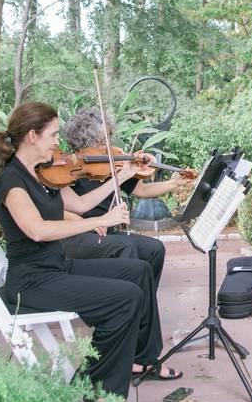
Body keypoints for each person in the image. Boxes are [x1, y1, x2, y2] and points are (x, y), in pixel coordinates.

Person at [0, 101, 162, 402]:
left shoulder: (41, 172)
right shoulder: (12, 181)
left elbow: (79, 205)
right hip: (32, 282)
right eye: (52, 134)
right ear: (32, 136)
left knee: (139, 270)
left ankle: (141, 357)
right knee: (125, 297)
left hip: (56, 266)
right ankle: (93, 385)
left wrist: (124, 173)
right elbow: (37, 230)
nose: (57, 141)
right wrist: (100, 221)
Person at [58, 107, 190, 382]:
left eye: (108, 138)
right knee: (126, 251)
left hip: (105, 235)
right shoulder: (66, 168)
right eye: (102, 140)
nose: (109, 145)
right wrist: (88, 221)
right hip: (75, 237)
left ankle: (140, 345)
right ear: (84, 142)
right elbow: (55, 207)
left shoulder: (109, 164)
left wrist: (174, 182)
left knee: (153, 250)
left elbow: (141, 190)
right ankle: (137, 346)